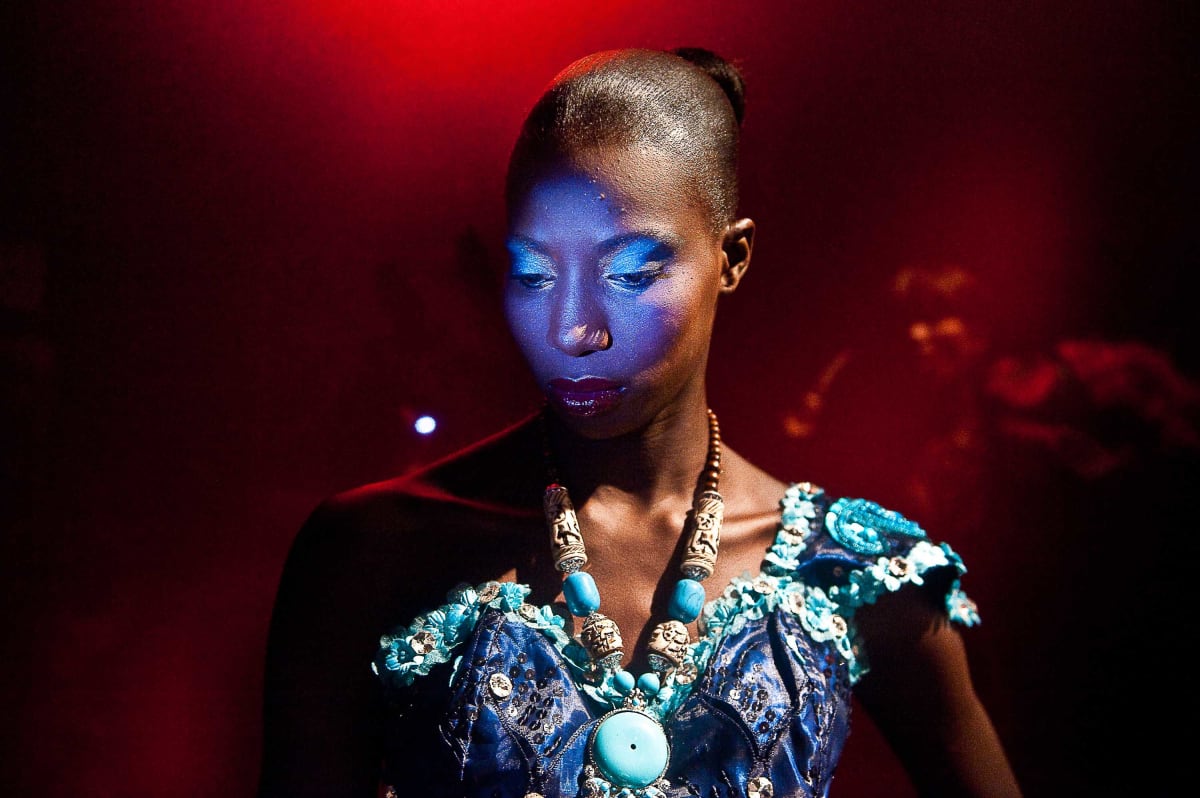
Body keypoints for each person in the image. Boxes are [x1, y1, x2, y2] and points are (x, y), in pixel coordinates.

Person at [257, 47, 1022, 798]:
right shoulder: (372, 552)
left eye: (629, 274)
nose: (573, 330)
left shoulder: (853, 575)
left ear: (733, 256)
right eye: (535, 274)